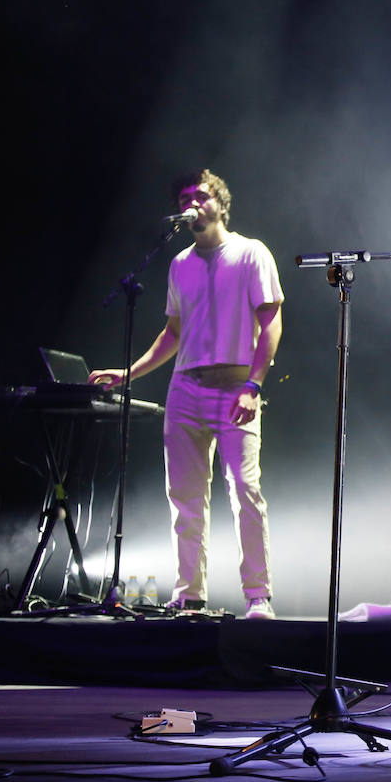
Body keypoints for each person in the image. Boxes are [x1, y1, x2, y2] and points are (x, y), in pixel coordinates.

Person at [90, 169, 284, 619]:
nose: (192, 203)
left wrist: (254, 385)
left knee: (246, 491)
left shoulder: (251, 253)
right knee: (184, 496)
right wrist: (129, 372)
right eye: (184, 197)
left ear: (220, 202)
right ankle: (189, 594)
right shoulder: (180, 264)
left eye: (200, 195)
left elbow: (271, 324)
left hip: (236, 385)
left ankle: (258, 595)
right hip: (186, 389)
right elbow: (173, 332)